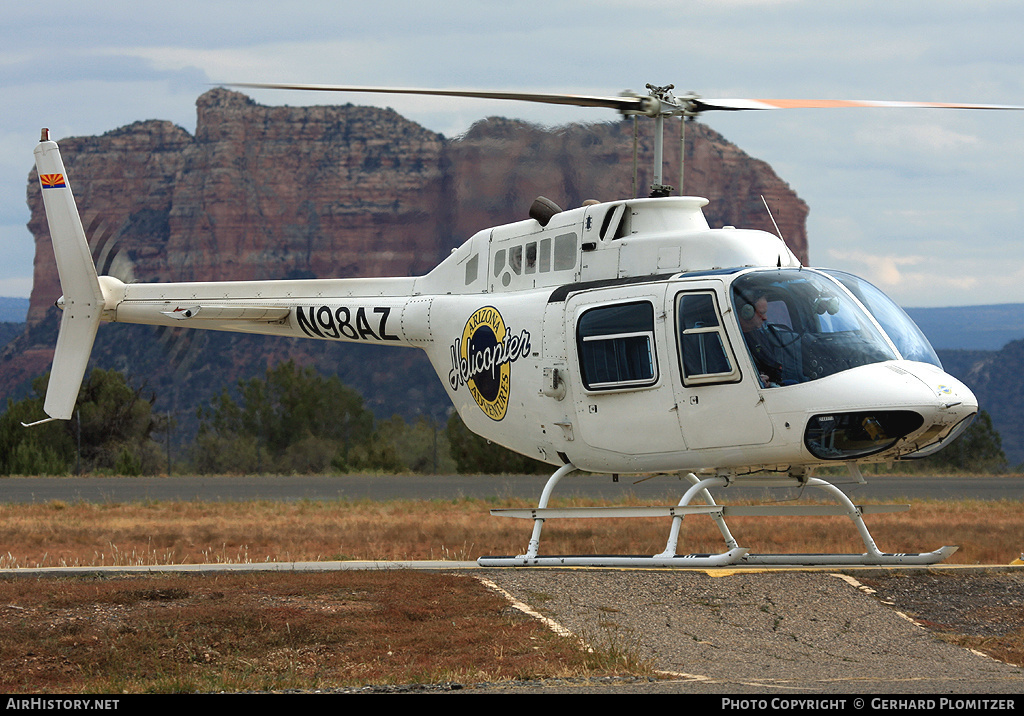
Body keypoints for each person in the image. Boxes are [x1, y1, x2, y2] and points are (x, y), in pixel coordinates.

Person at [738, 295, 783, 387]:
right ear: (746, 313)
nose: (765, 317)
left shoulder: (760, 336)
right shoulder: (722, 340)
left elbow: (772, 364)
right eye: (761, 313)